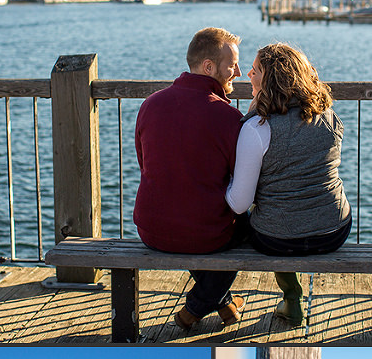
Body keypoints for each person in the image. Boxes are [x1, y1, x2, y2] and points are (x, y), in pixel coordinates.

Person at [225, 43, 352, 326]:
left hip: (276, 239)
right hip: (333, 231)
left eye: (255, 70)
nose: (247, 73)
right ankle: (291, 299)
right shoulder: (328, 116)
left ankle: (291, 295)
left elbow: (239, 203)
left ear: (270, 79)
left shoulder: (257, 128)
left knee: (255, 219)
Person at [133, 27, 247, 330]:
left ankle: (226, 305)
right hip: (203, 235)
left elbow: (145, 164)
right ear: (208, 67)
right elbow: (241, 185)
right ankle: (194, 309)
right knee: (249, 226)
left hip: (151, 229)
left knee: (190, 217)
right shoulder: (228, 117)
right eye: (231, 64)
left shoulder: (150, 104)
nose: (237, 72)